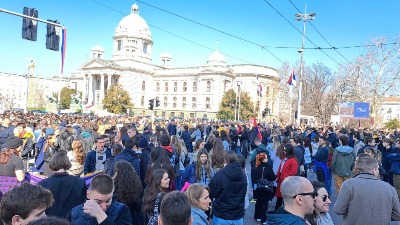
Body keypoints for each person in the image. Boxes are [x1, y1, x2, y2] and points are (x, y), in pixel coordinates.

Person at [333, 155, 400, 225]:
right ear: (374, 169)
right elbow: (397, 214)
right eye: (378, 169)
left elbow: (338, 210)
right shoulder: (389, 188)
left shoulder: (348, 184)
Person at [66, 174, 132, 225]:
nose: (103, 207)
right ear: (88, 194)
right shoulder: (73, 213)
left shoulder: (122, 210)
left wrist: (101, 217)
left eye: (108, 201)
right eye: (98, 202)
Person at [38, 152, 87, 218]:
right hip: (73, 220)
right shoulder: (79, 182)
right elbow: (84, 204)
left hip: (51, 221)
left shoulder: (43, 184)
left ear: (52, 164)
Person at [208, 151, 247, 225]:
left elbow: (211, 192)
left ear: (225, 161)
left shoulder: (219, 175)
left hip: (221, 214)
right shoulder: (243, 175)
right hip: (237, 214)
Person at [252, 152, 276, 224]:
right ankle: (263, 219)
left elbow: (254, 178)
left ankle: (257, 216)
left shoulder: (256, 167)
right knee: (264, 203)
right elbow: (273, 177)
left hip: (258, 187)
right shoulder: (268, 168)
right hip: (266, 188)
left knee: (258, 202)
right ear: (264, 159)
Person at [275, 144, 298, 211]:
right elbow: (280, 168)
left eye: (285, 150)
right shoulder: (284, 158)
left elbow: (293, 172)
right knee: (279, 198)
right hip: (281, 181)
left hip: (286, 182)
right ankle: (277, 211)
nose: (284, 151)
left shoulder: (293, 160)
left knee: (285, 199)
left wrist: (284, 176)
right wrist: (277, 176)